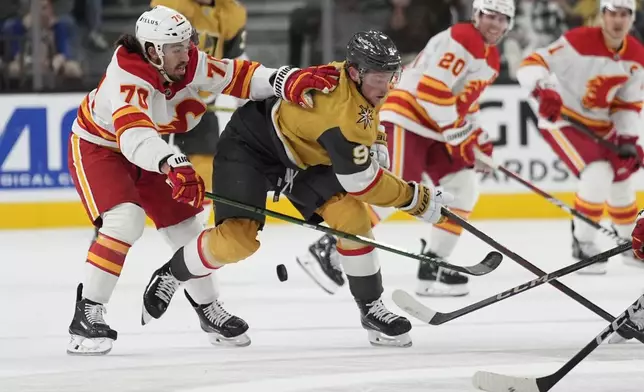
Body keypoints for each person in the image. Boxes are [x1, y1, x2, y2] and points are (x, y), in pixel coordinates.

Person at [139, 30, 455, 348]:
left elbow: (367, 119)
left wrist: (378, 138)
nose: (385, 87)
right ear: (356, 71)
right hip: (251, 147)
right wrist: (419, 200)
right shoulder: (339, 115)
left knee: (353, 218)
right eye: (378, 78)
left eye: (391, 76)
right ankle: (173, 272)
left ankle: (371, 309)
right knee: (238, 241)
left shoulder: (354, 79)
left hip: (304, 156)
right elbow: (364, 182)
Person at [65, 5, 340, 355]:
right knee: (125, 220)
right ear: (152, 51)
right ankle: (87, 311)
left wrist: (283, 80)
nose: (188, 53)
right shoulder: (128, 76)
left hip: (147, 151)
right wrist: (172, 163)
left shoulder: (185, 61)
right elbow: (133, 138)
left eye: (187, 43)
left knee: (187, 227)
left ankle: (208, 308)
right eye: (176, 47)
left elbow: (236, 76)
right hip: (99, 150)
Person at [296, 0, 514, 298]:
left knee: (463, 188)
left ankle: (434, 265)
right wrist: (459, 136)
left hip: (435, 127)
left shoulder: (491, 59)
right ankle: (328, 246)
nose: (496, 24)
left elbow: (466, 104)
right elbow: (432, 90)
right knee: (394, 187)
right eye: (490, 15)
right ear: (477, 15)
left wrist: (477, 139)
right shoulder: (464, 37)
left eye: (504, 19)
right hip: (408, 115)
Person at [516, 0, 644, 275]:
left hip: (602, 124)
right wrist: (544, 87)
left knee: (621, 179)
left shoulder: (636, 54)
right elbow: (531, 63)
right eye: (612, 14)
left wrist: (628, 138)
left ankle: (631, 244)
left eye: (624, 15)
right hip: (563, 119)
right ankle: (583, 242)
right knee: (597, 173)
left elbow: (627, 104)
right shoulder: (578, 41)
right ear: (602, 16)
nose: (618, 21)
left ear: (632, 18)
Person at [151, 0, 249, 226]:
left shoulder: (231, 13)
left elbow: (236, 61)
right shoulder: (170, 4)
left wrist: (245, 102)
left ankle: (196, 229)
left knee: (205, 170)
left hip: (199, 107)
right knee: (140, 168)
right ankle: (109, 221)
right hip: (160, 102)